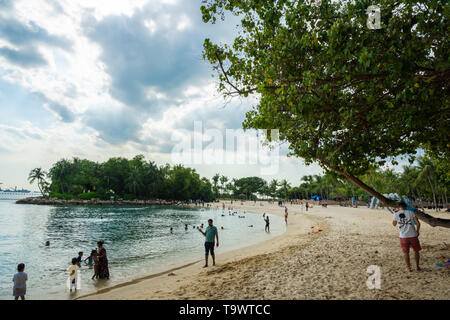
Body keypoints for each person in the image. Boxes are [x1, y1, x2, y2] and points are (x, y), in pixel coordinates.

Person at [393, 201, 421, 272]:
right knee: (416, 251)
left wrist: (395, 214)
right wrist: (417, 232)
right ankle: (417, 266)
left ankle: (408, 268)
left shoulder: (396, 214)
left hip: (403, 236)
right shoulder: (410, 212)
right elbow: (418, 224)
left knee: (405, 252)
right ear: (405, 207)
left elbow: (394, 224)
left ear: (399, 207)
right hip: (413, 235)